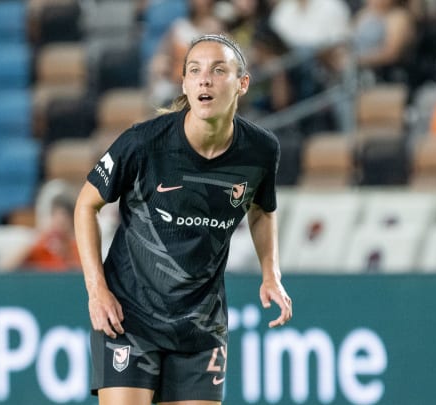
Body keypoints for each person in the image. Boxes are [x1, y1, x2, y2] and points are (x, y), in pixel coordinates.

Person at [75, 34, 292, 405]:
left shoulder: (260, 150)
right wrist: (97, 290)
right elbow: (85, 206)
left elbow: (261, 210)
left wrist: (271, 273)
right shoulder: (144, 143)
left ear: (242, 84)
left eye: (218, 70)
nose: (204, 79)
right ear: (185, 84)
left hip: (200, 326)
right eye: (195, 71)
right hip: (131, 316)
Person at [0, 195, 81, 272]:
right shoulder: (43, 242)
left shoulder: (79, 246)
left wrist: (65, 255)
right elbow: (6, 267)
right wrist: (30, 246)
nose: (59, 226)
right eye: (56, 221)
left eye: (63, 223)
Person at [352, 0, 416, 82]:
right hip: (358, 72)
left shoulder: (398, 16)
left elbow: (391, 54)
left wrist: (357, 60)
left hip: (385, 75)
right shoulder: (364, 13)